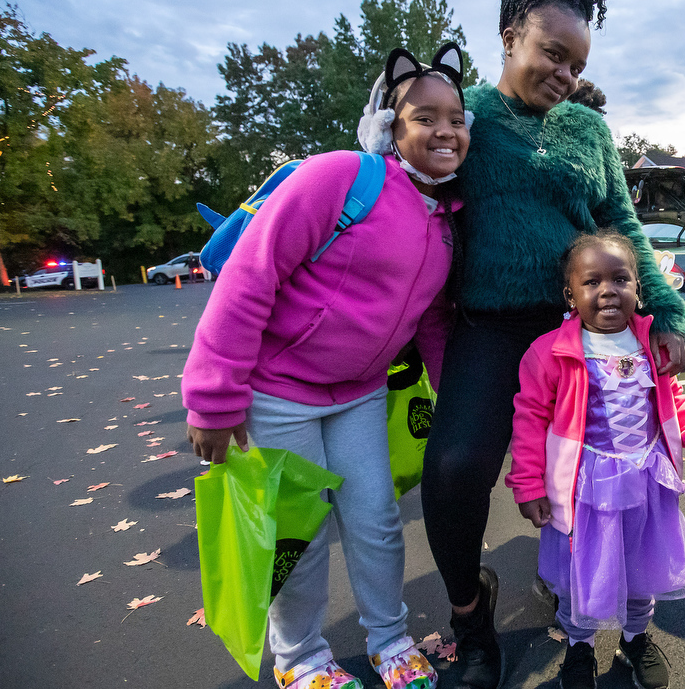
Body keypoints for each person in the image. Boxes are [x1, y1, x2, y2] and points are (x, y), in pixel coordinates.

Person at [418, 0, 685, 689]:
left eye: (578, 65)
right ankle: (473, 620)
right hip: (489, 325)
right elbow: (410, 193)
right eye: (551, 54)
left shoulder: (590, 129)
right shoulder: (463, 115)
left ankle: (595, 600)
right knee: (459, 466)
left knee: (600, 472)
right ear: (510, 37)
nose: (565, 75)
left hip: (577, 329)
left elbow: (622, 224)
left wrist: (663, 312)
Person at [183, 43, 472, 689]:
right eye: (424, 115)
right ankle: (301, 659)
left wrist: (460, 411)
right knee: (299, 539)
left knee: (375, 521)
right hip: (278, 393)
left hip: (359, 395)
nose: (445, 128)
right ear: (387, 127)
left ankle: (390, 640)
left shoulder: (448, 220)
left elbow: (431, 323)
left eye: (456, 116)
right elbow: (252, 278)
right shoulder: (340, 177)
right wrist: (212, 398)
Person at [506, 230, 685, 689]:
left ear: (638, 288)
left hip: (646, 481)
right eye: (591, 281)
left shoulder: (651, 342)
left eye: (621, 279)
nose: (607, 290)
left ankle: (635, 637)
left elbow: (672, 396)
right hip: (584, 488)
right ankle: (579, 646)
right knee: (583, 573)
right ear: (571, 293)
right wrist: (528, 484)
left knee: (642, 565)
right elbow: (529, 422)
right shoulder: (550, 352)